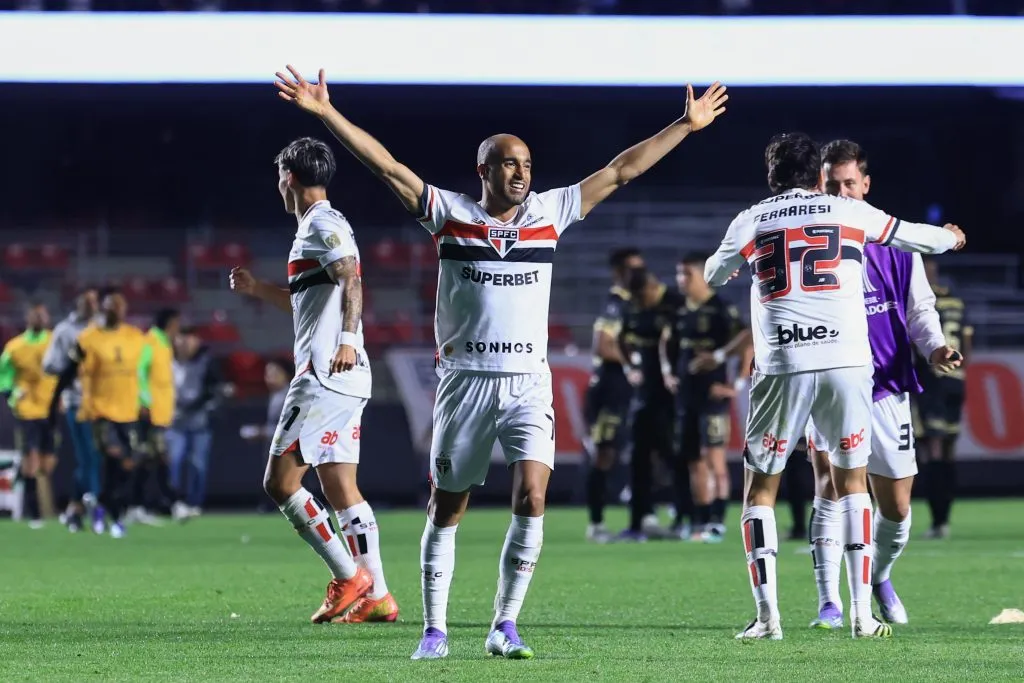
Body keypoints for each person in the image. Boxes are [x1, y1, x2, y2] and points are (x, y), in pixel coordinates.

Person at [273, 64, 728, 659]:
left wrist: (685, 127)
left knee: (533, 496)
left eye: (528, 165)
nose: (521, 174)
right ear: (483, 170)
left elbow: (622, 170)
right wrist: (327, 113)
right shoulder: (449, 213)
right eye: (510, 163)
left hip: (528, 384)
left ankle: (504, 623)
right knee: (448, 507)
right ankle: (435, 628)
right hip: (464, 384)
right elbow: (385, 166)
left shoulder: (551, 213)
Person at [705, 132, 965, 640]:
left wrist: (736, 265)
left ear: (771, 175)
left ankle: (768, 618)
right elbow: (921, 237)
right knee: (850, 484)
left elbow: (714, 274)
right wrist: (951, 237)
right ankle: (860, 616)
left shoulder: (751, 219)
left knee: (760, 490)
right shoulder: (849, 213)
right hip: (847, 362)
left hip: (782, 363)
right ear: (816, 177)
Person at [230, 136, 396, 626]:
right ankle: (379, 596)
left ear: (288, 178)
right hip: (346, 376)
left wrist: (346, 338)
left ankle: (349, 577)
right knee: (341, 486)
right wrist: (261, 290)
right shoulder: (320, 226)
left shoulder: (320, 225)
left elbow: (352, 278)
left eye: (279, 178)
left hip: (326, 373)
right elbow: (311, 300)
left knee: (279, 482)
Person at [803, 139, 962, 630]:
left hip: (886, 384)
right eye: (833, 185)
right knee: (829, 486)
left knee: (895, 507)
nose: (842, 193)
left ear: (866, 184)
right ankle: (828, 601)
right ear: (819, 185)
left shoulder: (893, 240)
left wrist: (934, 346)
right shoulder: (811, 238)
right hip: (828, 381)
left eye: (850, 183)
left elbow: (919, 308)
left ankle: (880, 574)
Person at [661, 252, 750, 542]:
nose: (681, 280)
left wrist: (736, 382)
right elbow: (665, 341)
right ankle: (699, 522)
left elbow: (748, 339)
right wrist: (667, 372)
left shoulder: (721, 308)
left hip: (713, 396)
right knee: (693, 460)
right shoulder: (679, 311)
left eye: (686, 274)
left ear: (701, 275)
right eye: (679, 274)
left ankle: (717, 522)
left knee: (714, 459)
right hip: (686, 396)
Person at [53, 287, 147, 538]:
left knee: (127, 465)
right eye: (111, 305)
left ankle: (96, 504)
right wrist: (54, 402)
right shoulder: (88, 337)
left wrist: (148, 401)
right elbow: (68, 371)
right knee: (107, 459)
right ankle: (111, 517)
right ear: (103, 309)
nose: (116, 310)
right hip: (99, 412)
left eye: (120, 305)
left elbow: (144, 372)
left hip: (128, 413)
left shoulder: (135, 337)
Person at [619, 269, 684, 541]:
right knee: (638, 458)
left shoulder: (675, 304)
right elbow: (621, 338)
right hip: (644, 395)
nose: (638, 302)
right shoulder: (634, 308)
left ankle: (684, 518)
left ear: (651, 287)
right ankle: (638, 522)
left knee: (674, 458)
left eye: (640, 296)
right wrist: (629, 366)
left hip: (673, 395)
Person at [583, 247, 643, 543]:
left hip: (633, 386)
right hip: (611, 387)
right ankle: (596, 522)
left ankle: (644, 516)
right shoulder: (615, 302)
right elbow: (603, 346)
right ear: (618, 272)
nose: (638, 275)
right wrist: (635, 363)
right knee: (605, 453)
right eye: (632, 269)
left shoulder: (637, 302)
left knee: (645, 451)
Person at [914, 257, 971, 540]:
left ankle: (938, 521)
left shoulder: (921, 302)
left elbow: (913, 339)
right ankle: (944, 519)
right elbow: (967, 342)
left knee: (932, 448)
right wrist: (961, 373)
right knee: (948, 449)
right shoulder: (956, 302)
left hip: (932, 379)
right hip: (956, 381)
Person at [44, 286, 103, 533]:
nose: (91, 306)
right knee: (89, 456)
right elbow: (49, 365)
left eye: (94, 301)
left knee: (93, 458)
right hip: (77, 401)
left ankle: (75, 508)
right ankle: (97, 506)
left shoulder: (102, 329)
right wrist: (71, 365)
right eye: (86, 301)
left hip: (104, 402)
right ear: (77, 304)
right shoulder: (64, 331)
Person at [0, 303, 58, 528]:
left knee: (47, 464)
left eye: (42, 315)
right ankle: (34, 514)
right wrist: (12, 392)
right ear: (28, 318)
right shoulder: (15, 347)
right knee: (31, 460)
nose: (39, 318)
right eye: (35, 314)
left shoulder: (54, 342)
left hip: (50, 409)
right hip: (26, 411)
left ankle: (37, 502)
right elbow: (3, 376)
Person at [129, 307, 183, 525]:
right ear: (170, 323)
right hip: (149, 413)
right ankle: (173, 503)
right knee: (157, 458)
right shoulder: (150, 343)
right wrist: (144, 401)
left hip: (160, 413)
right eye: (177, 324)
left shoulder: (163, 344)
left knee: (148, 460)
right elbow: (139, 372)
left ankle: (137, 506)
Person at [167, 326, 222, 520]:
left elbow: (213, 390)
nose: (185, 343)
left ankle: (194, 502)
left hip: (199, 422)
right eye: (182, 339)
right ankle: (174, 501)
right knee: (173, 462)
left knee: (198, 464)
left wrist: (196, 406)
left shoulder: (206, 361)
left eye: (189, 339)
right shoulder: (167, 360)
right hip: (173, 420)